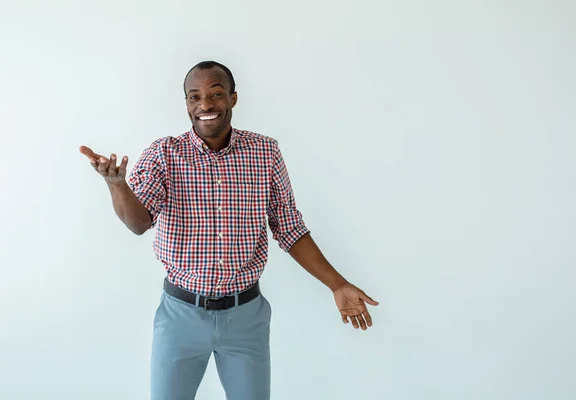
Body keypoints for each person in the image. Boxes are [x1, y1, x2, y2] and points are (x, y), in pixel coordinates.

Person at [79, 61, 379, 400]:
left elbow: (289, 228)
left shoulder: (264, 152)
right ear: (187, 103)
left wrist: (337, 284)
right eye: (195, 97)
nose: (205, 105)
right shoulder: (164, 153)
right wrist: (117, 184)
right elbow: (138, 223)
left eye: (216, 94)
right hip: (180, 318)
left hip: (245, 318)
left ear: (233, 99)